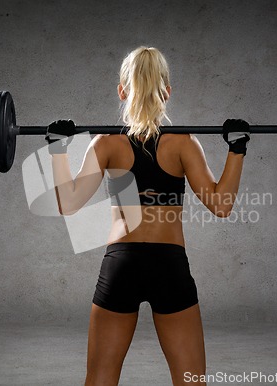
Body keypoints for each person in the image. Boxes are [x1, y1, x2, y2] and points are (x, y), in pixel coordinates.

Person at [45, 46, 249, 386]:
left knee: (100, 378)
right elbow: (221, 205)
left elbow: (69, 204)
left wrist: (57, 150)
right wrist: (237, 150)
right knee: (191, 381)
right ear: (167, 91)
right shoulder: (183, 143)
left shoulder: (106, 143)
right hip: (168, 265)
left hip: (122, 263)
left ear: (122, 91)